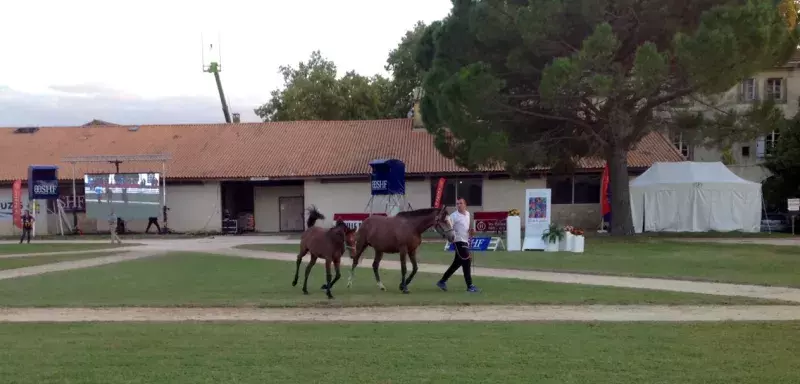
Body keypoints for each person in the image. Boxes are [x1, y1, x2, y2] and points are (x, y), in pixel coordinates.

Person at [436, 197, 480, 292]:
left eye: (460, 203)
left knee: (457, 263)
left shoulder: (467, 214)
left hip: (465, 240)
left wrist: (470, 231)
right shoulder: (453, 216)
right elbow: (448, 227)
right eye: (457, 204)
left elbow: (466, 228)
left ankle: (442, 281)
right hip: (458, 241)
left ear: (465, 205)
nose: (458, 205)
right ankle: (470, 285)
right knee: (466, 261)